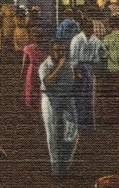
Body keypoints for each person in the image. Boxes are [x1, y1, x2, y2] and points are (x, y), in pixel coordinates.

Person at [38, 40, 78, 178]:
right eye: (57, 50)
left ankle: (64, 163)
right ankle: (56, 168)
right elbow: (47, 82)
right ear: (51, 51)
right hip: (50, 99)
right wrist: (60, 67)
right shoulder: (45, 65)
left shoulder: (68, 64)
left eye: (62, 50)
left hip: (67, 98)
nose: (61, 53)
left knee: (72, 131)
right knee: (54, 135)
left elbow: (73, 81)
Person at [68, 19, 107, 133]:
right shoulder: (76, 39)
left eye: (91, 28)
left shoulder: (96, 40)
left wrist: (97, 62)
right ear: (82, 28)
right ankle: (78, 126)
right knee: (78, 98)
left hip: (89, 69)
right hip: (78, 68)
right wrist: (75, 73)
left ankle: (88, 126)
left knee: (89, 98)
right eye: (87, 27)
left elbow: (104, 53)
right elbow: (73, 57)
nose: (90, 30)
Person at [19, 30, 46, 112]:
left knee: (39, 88)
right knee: (31, 88)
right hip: (31, 71)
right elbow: (24, 63)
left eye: (38, 36)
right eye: (35, 36)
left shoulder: (43, 49)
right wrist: (21, 74)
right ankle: (31, 108)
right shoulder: (28, 48)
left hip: (40, 70)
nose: (37, 38)